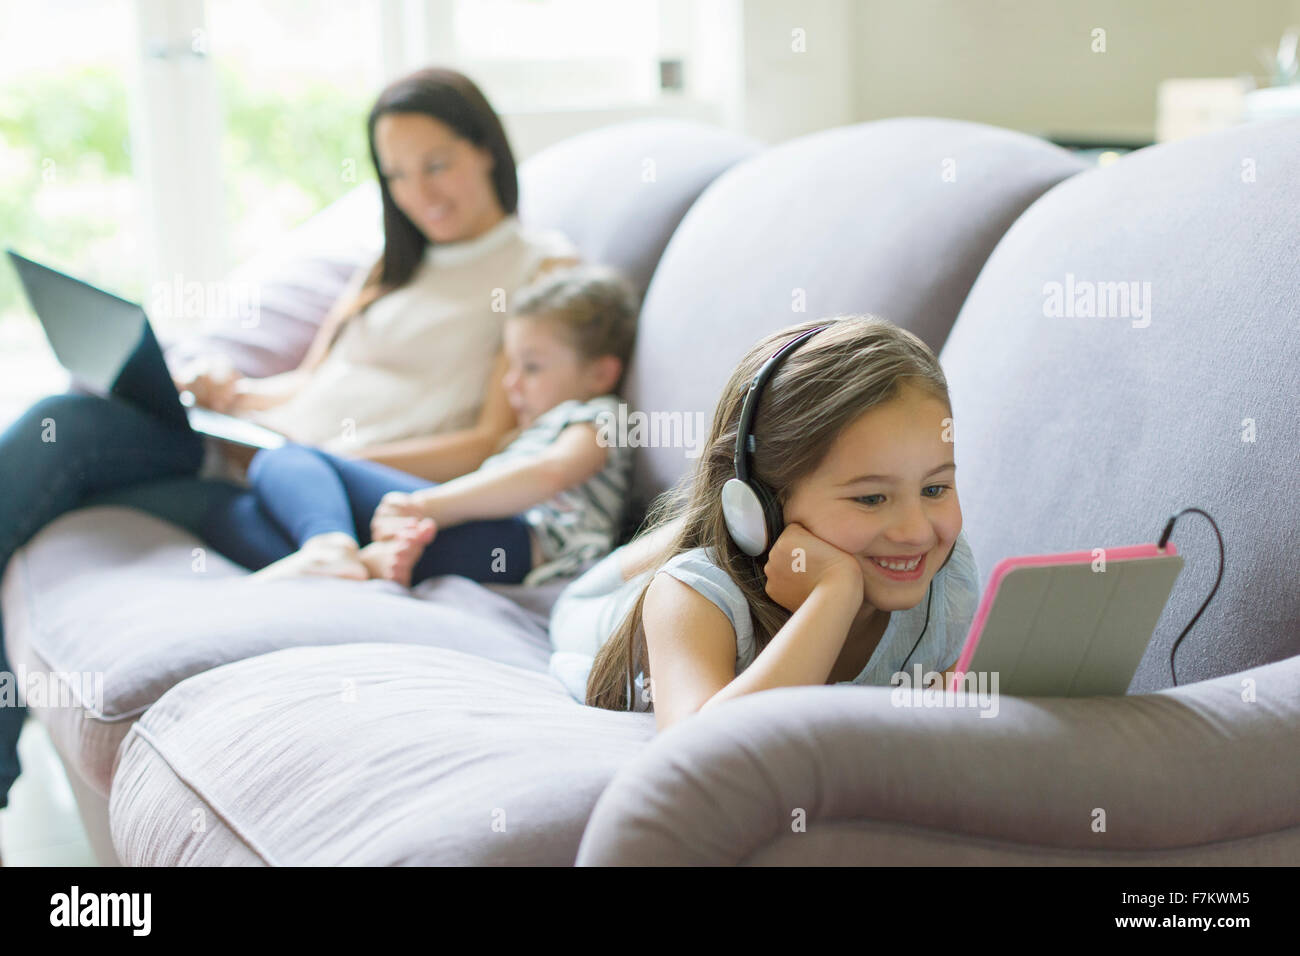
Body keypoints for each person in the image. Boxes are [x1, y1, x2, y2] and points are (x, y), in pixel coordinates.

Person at [0, 65, 579, 842]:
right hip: (266, 450)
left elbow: (489, 444)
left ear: (487, 152)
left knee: (64, 448)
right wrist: (231, 391)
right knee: (64, 430)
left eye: (435, 164)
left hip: (325, 480)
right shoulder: (390, 264)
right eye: (396, 174)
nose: (418, 193)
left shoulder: (539, 270)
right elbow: (310, 383)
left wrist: (335, 453)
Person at [545, 315, 983, 731]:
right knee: (647, 570)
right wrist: (835, 593)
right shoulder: (693, 596)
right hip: (596, 605)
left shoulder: (946, 579)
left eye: (934, 489)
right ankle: (703, 526)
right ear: (762, 506)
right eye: (870, 498)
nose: (917, 532)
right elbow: (701, 748)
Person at [229, 263, 639, 589]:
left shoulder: (602, 415)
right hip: (491, 541)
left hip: (514, 541)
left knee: (285, 457)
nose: (511, 382)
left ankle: (330, 545)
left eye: (532, 367)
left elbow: (550, 474)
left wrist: (428, 506)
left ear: (601, 373)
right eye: (511, 365)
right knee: (245, 514)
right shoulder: (537, 430)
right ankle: (351, 561)